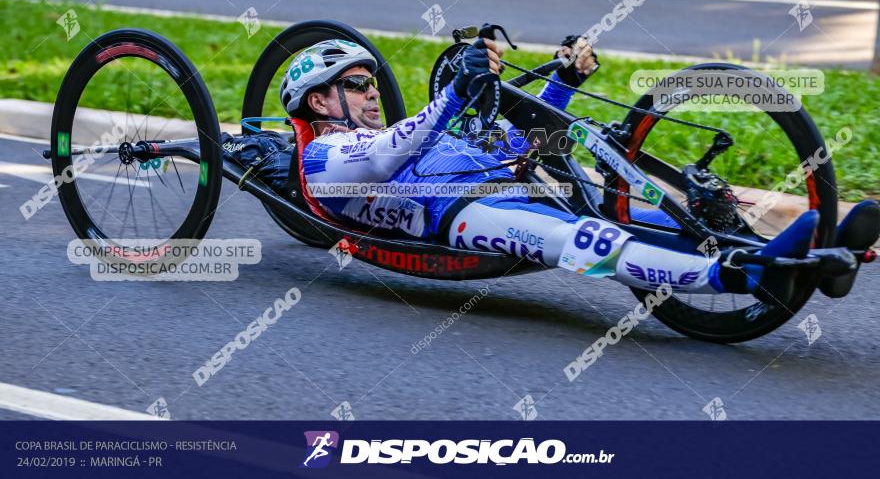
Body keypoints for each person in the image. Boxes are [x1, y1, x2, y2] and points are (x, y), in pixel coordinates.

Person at [278, 37, 819, 300]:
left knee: (610, 187)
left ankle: (775, 250)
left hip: (507, 184)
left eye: (371, 82)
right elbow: (384, 155)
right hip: (461, 217)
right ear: (319, 104)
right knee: (580, 241)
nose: (371, 91)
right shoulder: (323, 157)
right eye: (354, 84)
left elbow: (517, 136)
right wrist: (451, 97)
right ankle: (742, 277)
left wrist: (565, 79)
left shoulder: (403, 134)